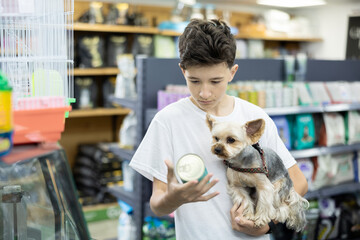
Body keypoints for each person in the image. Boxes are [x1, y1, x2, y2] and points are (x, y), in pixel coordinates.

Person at [130, 19, 308, 240]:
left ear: (232, 72)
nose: (205, 93)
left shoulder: (255, 119)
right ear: (182, 70)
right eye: (194, 81)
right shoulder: (167, 121)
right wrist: (175, 198)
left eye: (215, 81)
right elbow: (158, 206)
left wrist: (267, 224)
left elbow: (298, 181)